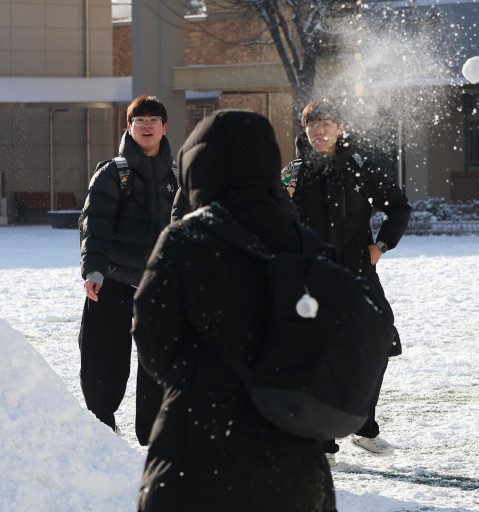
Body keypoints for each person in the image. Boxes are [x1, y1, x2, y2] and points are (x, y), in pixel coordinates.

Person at [132, 110, 337, 511]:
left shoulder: (183, 240)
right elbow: (329, 334)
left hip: (193, 445)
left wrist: (196, 382)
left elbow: (152, 333)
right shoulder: (302, 243)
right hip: (292, 450)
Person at [283, 97, 411, 465]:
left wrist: (381, 246)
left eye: (327, 123)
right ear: (305, 129)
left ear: (340, 128)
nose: (319, 130)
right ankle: (320, 441)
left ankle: (363, 424)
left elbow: (399, 207)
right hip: (313, 278)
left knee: (378, 342)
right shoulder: (293, 175)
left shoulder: (360, 168)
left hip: (358, 271)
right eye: (312, 124)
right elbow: (273, 221)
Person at [78, 95, 178, 446]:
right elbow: (95, 224)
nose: (147, 125)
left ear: (165, 127)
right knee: (103, 360)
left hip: (161, 286)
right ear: (129, 127)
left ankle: (154, 436)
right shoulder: (112, 173)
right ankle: (101, 428)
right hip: (115, 283)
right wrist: (93, 270)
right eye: (140, 120)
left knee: (159, 363)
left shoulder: (178, 176)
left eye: (154, 119)